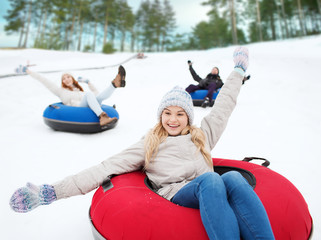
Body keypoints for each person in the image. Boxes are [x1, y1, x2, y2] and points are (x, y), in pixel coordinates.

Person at [9, 47, 275, 240]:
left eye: (180, 114)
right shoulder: (150, 142)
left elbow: (224, 105)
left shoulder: (202, 134)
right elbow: (105, 167)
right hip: (176, 194)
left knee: (234, 180)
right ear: (160, 115)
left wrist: (239, 69)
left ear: (188, 117)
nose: (173, 119)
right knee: (213, 180)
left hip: (210, 191)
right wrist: (52, 191)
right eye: (167, 113)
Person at [15, 65, 126, 127]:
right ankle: (102, 117)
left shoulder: (80, 90)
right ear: (62, 81)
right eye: (64, 78)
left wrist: (89, 83)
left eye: (68, 77)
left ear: (72, 79)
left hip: (89, 105)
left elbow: (97, 95)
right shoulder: (60, 91)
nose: (66, 79)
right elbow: (44, 80)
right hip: (77, 109)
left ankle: (114, 84)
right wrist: (29, 71)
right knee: (89, 95)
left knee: (97, 97)